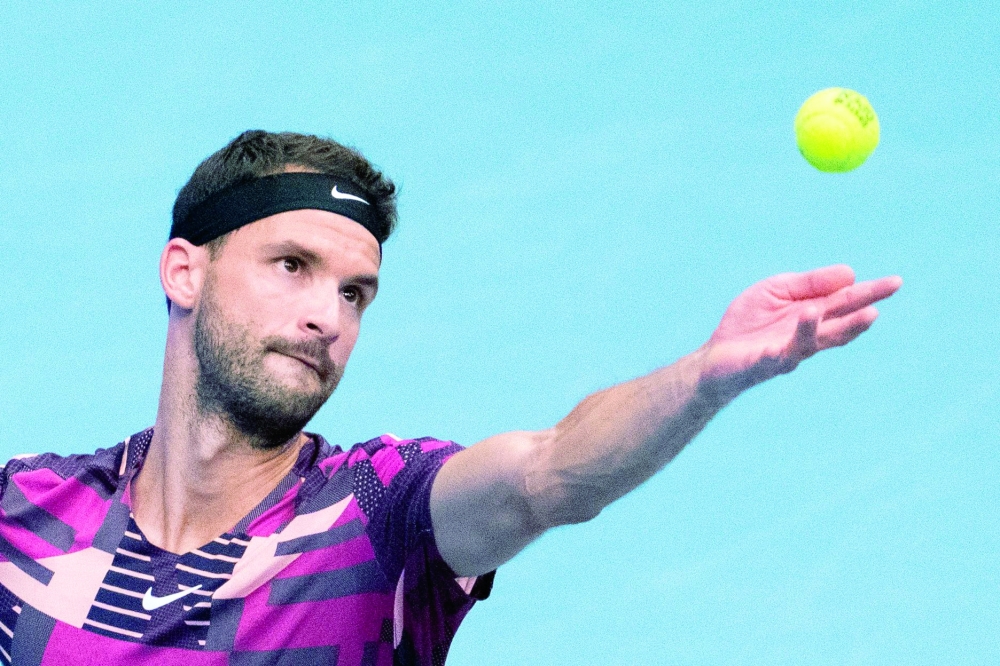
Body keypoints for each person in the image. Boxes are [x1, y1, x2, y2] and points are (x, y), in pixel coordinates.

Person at [0, 130, 901, 666]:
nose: (327, 317)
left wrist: (703, 377)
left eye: (355, 293)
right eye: (293, 267)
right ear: (184, 272)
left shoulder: (379, 515)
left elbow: (547, 477)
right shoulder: (23, 516)